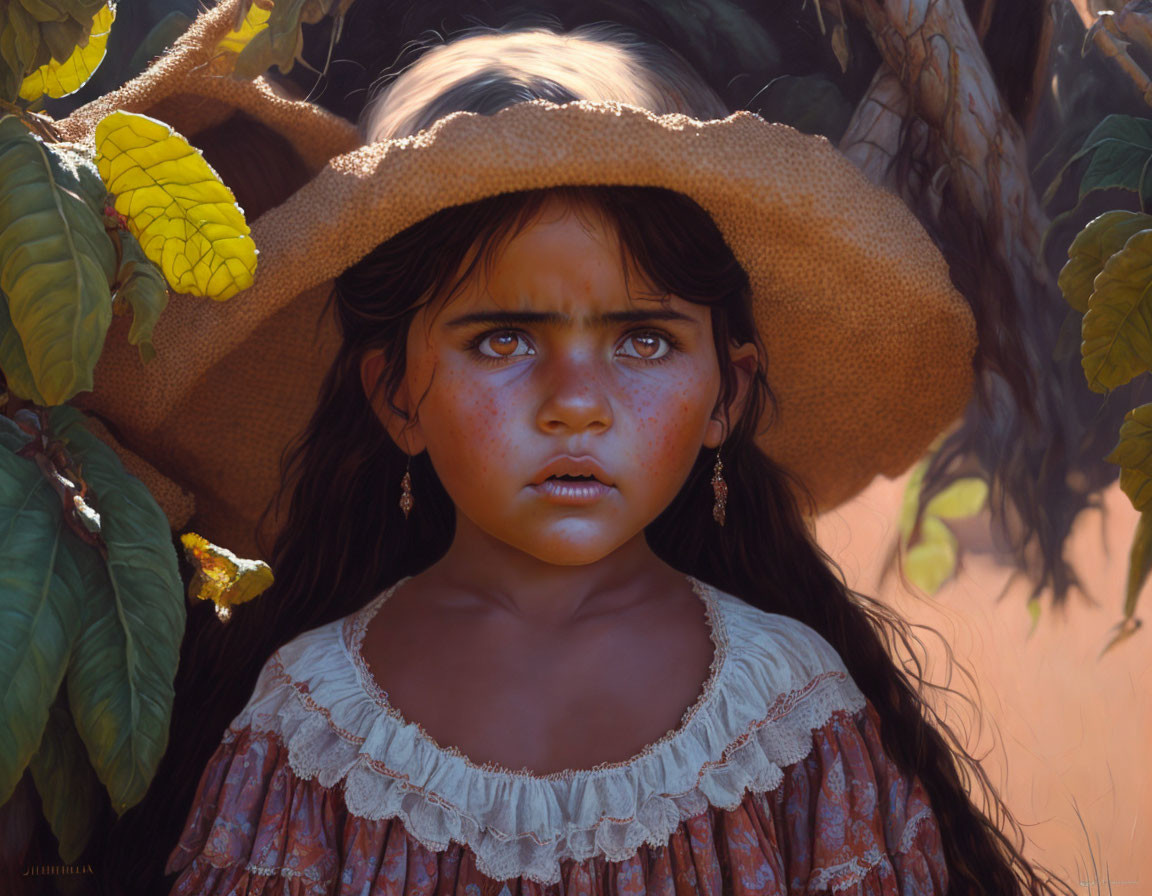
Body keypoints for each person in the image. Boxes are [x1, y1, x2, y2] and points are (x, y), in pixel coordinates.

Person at [70, 10, 1071, 896]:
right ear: (395, 395)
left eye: (644, 338)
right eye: (502, 338)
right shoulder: (308, 731)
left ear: (727, 389)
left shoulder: (793, 721)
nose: (576, 405)